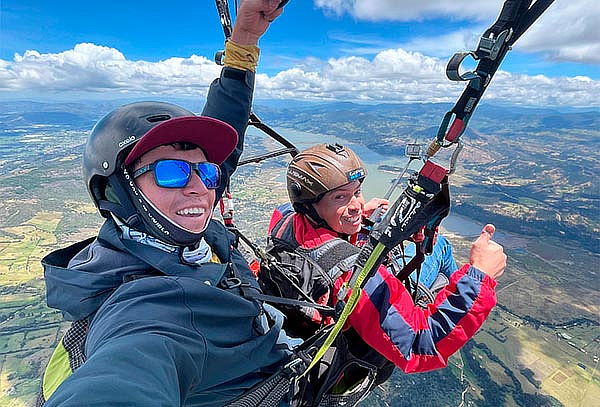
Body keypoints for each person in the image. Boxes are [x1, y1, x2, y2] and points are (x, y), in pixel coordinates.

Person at [37, 1, 295, 406]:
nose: (200, 187)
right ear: (116, 192)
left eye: (205, 171)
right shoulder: (148, 311)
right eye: (170, 172)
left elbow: (224, 138)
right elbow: (121, 380)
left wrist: (244, 43)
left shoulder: (173, 221)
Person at [260, 143, 506, 389]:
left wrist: (359, 221)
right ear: (309, 206)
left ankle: (457, 302)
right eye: (340, 197)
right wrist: (479, 275)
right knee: (440, 247)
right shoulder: (350, 273)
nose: (356, 204)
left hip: (316, 312)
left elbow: (320, 243)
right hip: (362, 336)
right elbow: (420, 345)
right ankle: (461, 308)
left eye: (356, 192)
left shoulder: (284, 220)